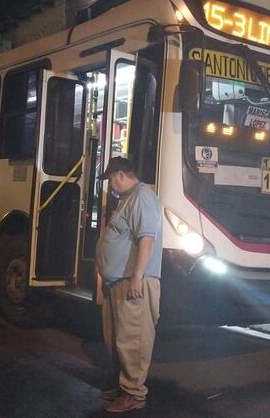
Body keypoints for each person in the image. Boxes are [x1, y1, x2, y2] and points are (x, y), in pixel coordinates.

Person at [95, 156, 163, 413]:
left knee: (133, 338)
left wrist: (137, 276)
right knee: (118, 338)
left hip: (132, 282)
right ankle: (124, 386)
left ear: (120, 175)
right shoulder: (128, 199)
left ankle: (134, 393)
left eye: (111, 180)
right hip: (119, 281)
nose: (111, 186)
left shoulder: (142, 198)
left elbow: (147, 239)